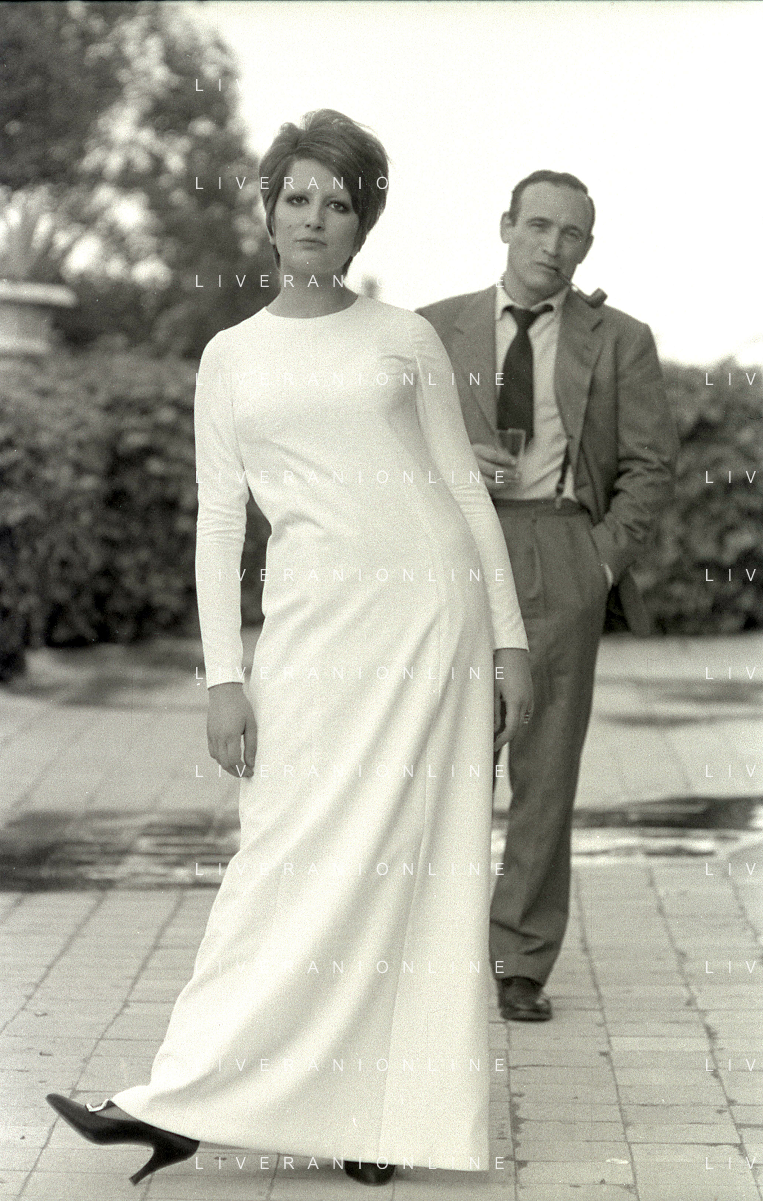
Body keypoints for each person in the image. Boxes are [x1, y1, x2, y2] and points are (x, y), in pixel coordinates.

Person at [46, 111, 532, 1186]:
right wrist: (223, 678)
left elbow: (462, 490)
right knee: (279, 855)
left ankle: (384, 1118)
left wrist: (509, 641)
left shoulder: (403, 338)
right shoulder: (229, 355)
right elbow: (220, 523)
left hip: (429, 617)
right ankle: (184, 1097)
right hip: (311, 628)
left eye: (338, 202)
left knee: (410, 859)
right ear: (267, 211)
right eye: (297, 197)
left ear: (362, 224)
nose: (314, 216)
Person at [419, 170, 677, 1022]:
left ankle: (518, 961)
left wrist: (597, 562)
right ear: (505, 226)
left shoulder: (620, 339)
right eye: (537, 225)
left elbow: (650, 464)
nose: (551, 245)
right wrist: (451, 462)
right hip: (455, 547)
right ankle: (428, 946)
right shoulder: (432, 328)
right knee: (445, 756)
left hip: (559, 546)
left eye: (570, 233)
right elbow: (387, 443)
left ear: (586, 245)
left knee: (545, 767)